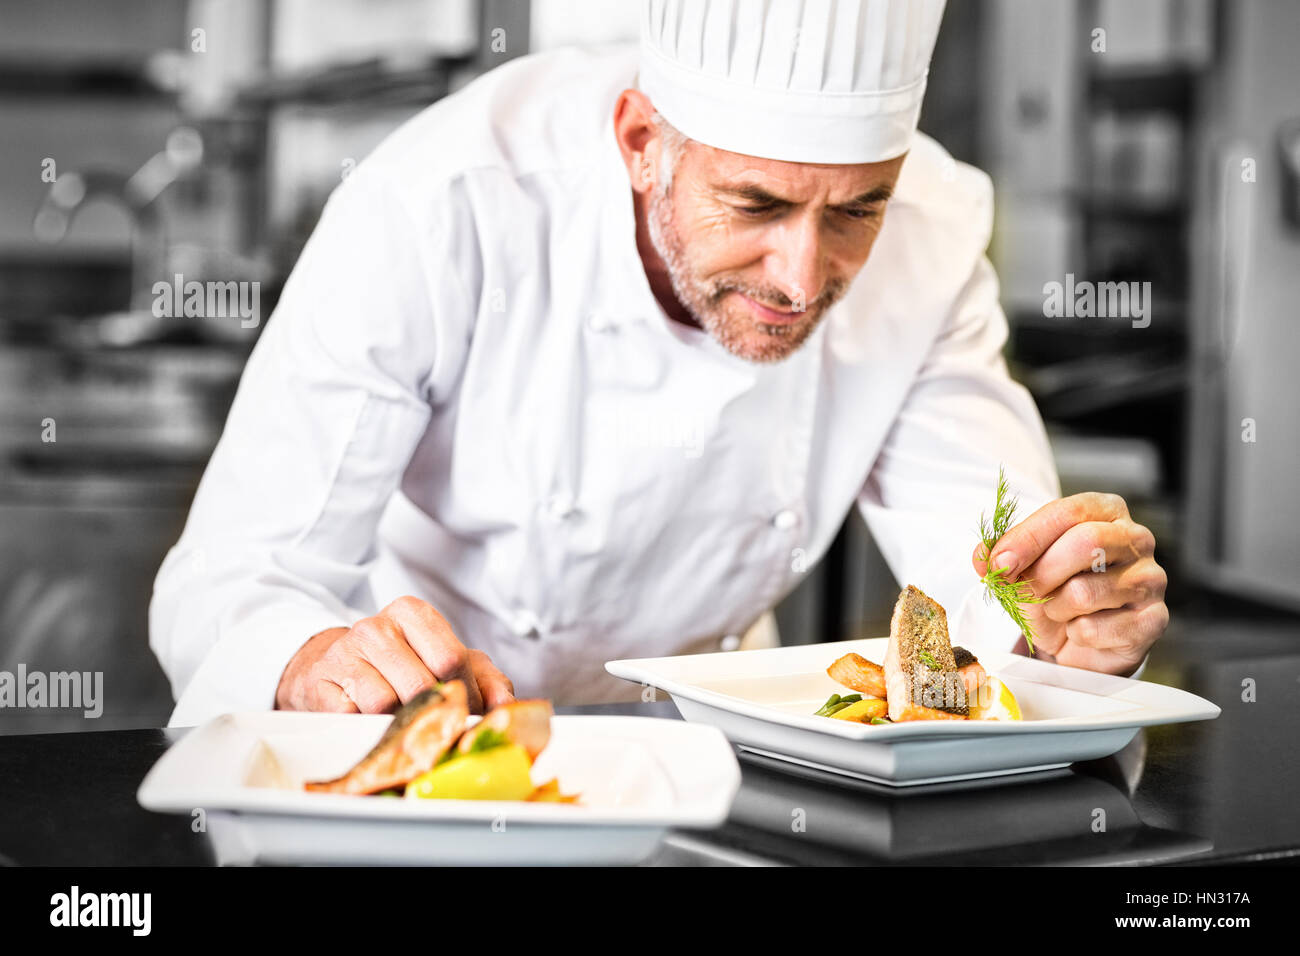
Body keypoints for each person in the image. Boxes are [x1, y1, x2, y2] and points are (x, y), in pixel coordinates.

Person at [151, 0, 1168, 725]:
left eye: (856, 207)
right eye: (755, 205)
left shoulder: (934, 230)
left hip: (722, 752)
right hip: (431, 745)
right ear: (641, 140)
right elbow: (231, 580)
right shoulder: (440, 205)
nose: (803, 275)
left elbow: (993, 573)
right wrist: (307, 656)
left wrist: (1066, 617)